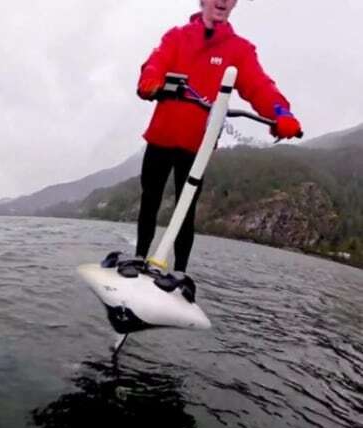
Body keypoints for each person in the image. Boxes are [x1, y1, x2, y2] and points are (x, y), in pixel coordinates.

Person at [121, 0, 302, 282]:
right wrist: (152, 83)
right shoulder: (176, 37)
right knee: (150, 199)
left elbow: (260, 86)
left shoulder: (240, 50)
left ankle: (179, 273)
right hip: (161, 137)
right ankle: (139, 257)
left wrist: (282, 113)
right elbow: (154, 66)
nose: (223, 1)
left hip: (198, 146)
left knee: (187, 207)